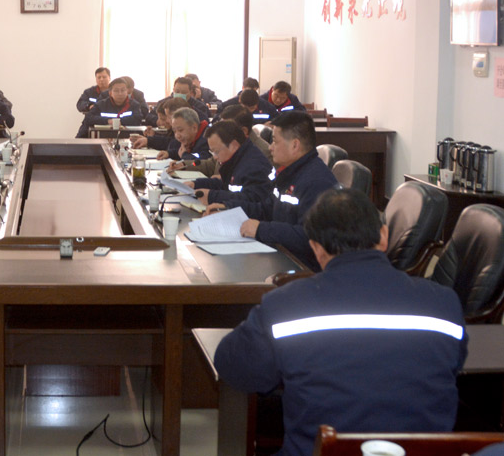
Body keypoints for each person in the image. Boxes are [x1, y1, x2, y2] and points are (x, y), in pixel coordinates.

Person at [214, 188, 467, 456]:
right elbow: (453, 364)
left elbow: (234, 368)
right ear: (384, 236)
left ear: (315, 248)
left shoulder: (284, 306)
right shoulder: (445, 304)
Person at [207, 111, 337, 271]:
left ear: (295, 145)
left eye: (275, 141)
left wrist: (261, 229)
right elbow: (268, 208)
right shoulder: (290, 172)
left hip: (303, 268)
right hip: (282, 254)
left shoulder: (316, 182)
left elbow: (309, 238)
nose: (270, 147)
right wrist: (228, 208)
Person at [186, 120, 272, 206]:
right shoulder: (237, 159)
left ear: (233, 145)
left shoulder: (254, 166)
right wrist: (196, 184)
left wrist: (212, 196)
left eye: (216, 152)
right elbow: (227, 184)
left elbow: (251, 200)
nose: (215, 157)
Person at [77, 77, 144, 138]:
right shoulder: (101, 104)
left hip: (127, 137)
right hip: (103, 137)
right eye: (116, 91)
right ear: (110, 93)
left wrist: (119, 121)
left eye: (123, 90)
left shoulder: (134, 105)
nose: (120, 93)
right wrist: (108, 121)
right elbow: (88, 118)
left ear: (127, 92)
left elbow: (138, 119)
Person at [144, 77, 210, 126]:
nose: (180, 94)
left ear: (190, 92)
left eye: (183, 92)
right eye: (177, 91)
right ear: (173, 90)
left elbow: (203, 122)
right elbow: (149, 117)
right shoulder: (163, 102)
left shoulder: (199, 106)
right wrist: (161, 121)